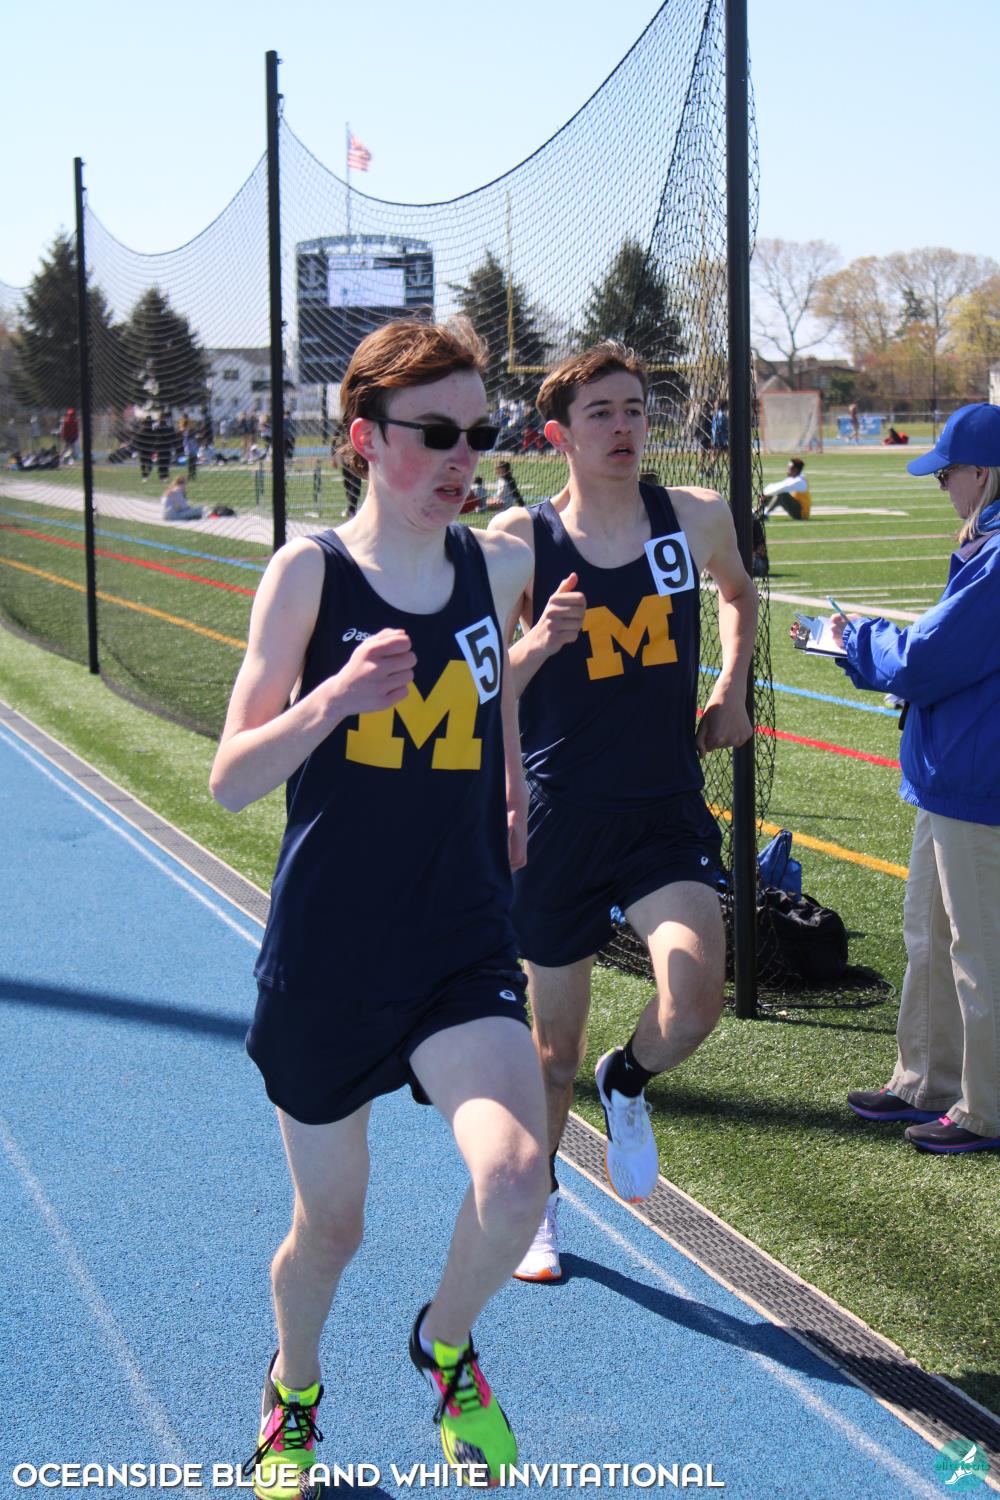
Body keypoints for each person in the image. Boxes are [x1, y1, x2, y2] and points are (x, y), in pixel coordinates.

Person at [210, 316, 547, 1496]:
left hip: (460, 938)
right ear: (364, 437)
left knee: (516, 1182)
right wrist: (333, 701)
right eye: (435, 432)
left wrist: (512, 779)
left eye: (479, 433)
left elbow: (498, 685)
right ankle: (294, 1390)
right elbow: (231, 776)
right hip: (331, 955)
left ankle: (445, 1345)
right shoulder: (309, 574)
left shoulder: (495, 565)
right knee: (333, 1231)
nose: (463, 456)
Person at [489, 342, 756, 1281]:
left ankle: (629, 1077)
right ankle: (537, 1199)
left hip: (662, 811)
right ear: (556, 434)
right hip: (557, 819)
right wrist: (535, 646)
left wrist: (730, 685)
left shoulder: (694, 515)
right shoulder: (518, 541)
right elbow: (479, 686)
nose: (623, 427)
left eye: (635, 409)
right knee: (550, 1056)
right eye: (600, 412)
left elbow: (738, 592)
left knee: (693, 1005)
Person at [839, 403, 1000, 1154]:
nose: (941, 486)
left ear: (982, 474)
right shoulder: (986, 544)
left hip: (978, 775)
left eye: (947, 473)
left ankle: (985, 1107)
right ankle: (926, 1081)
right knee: (929, 935)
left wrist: (854, 638)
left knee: (978, 948)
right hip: (952, 771)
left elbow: (927, 659)